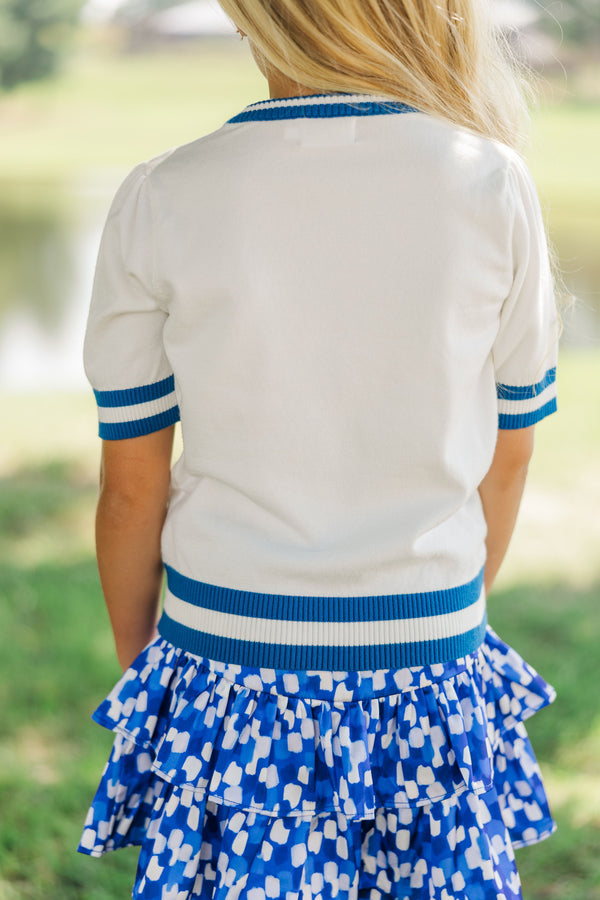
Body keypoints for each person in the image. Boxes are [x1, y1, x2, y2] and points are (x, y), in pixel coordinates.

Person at [77, 1, 560, 897]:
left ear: (249, 19)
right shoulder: (491, 181)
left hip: (223, 657)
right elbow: (512, 452)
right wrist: (450, 606)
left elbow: (130, 487)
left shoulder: (164, 192)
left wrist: (143, 662)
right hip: (429, 655)